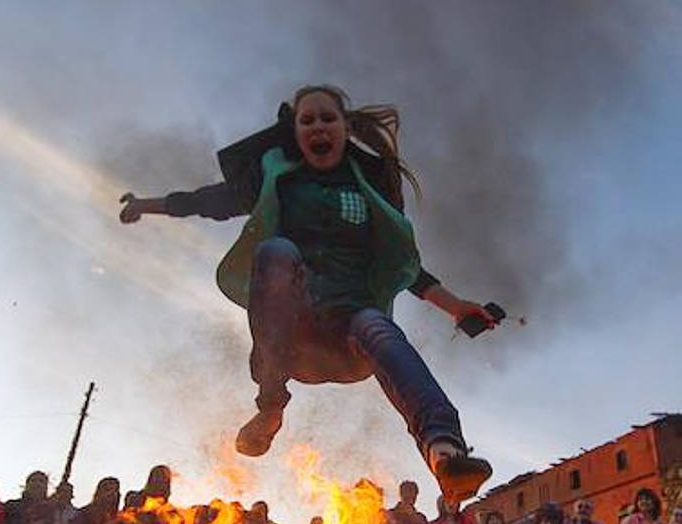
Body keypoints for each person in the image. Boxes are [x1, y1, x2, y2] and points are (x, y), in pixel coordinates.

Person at [118, 86, 497, 503]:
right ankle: (270, 406)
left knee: (380, 328)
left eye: (327, 119)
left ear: (345, 127)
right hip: (293, 336)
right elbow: (205, 201)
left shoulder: (366, 186)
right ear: (296, 132)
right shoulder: (278, 178)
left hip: (350, 332)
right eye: (308, 120)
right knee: (276, 251)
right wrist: (144, 205)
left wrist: (455, 307)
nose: (318, 127)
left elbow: (403, 264)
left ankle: (444, 451)